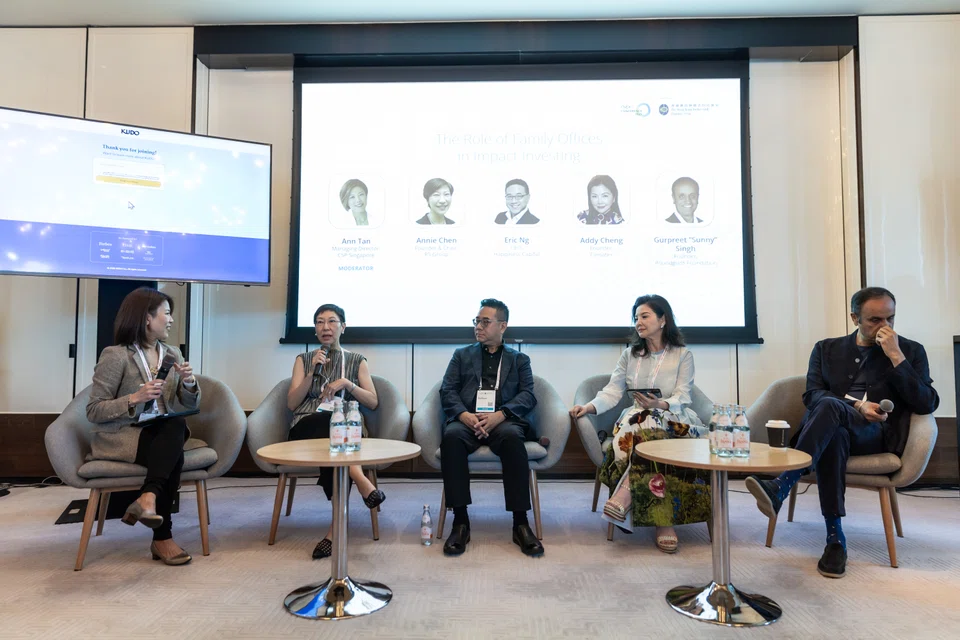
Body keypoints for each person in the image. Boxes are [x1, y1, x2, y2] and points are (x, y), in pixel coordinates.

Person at [746, 287, 938, 579]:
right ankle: (835, 540)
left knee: (831, 410)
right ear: (854, 318)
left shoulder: (910, 351)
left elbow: (927, 403)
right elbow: (812, 395)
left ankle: (782, 485)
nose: (884, 327)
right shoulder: (826, 349)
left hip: (875, 435)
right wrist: (858, 405)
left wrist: (897, 357)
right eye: (875, 320)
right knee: (832, 426)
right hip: (829, 431)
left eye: (890, 318)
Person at [570, 294, 711, 553]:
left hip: (673, 419)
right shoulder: (629, 355)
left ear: (663, 320)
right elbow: (612, 391)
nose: (638, 322)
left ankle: (624, 496)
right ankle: (663, 523)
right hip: (636, 420)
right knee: (644, 425)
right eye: (636, 318)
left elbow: (683, 396)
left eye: (644, 316)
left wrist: (660, 404)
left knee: (651, 425)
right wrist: (589, 407)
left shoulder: (683, 355)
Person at [86, 287, 200, 566]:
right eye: (167, 314)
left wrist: (188, 383)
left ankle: (148, 498)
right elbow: (93, 410)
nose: (171, 320)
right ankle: (162, 538)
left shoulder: (172, 353)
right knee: (173, 451)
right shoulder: (116, 355)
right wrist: (134, 398)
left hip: (162, 430)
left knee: (174, 426)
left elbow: (186, 403)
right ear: (147, 318)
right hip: (124, 434)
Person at [439, 299, 543, 557]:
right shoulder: (461, 355)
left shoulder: (519, 360)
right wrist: (464, 415)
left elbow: (528, 395)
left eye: (485, 322)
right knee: (451, 437)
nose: (478, 327)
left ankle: (520, 523)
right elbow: (447, 390)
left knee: (512, 437)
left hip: (502, 421)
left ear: (502, 326)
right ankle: (460, 522)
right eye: (476, 321)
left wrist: (501, 414)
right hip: (467, 420)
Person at [286, 303, 385, 560]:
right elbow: (292, 403)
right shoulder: (304, 359)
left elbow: (373, 401)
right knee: (332, 427)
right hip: (307, 428)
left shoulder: (357, 360)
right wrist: (311, 373)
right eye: (319, 322)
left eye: (332, 321)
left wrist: (348, 384)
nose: (325, 327)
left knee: (338, 438)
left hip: (346, 429)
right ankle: (360, 478)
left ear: (343, 327)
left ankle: (334, 530)